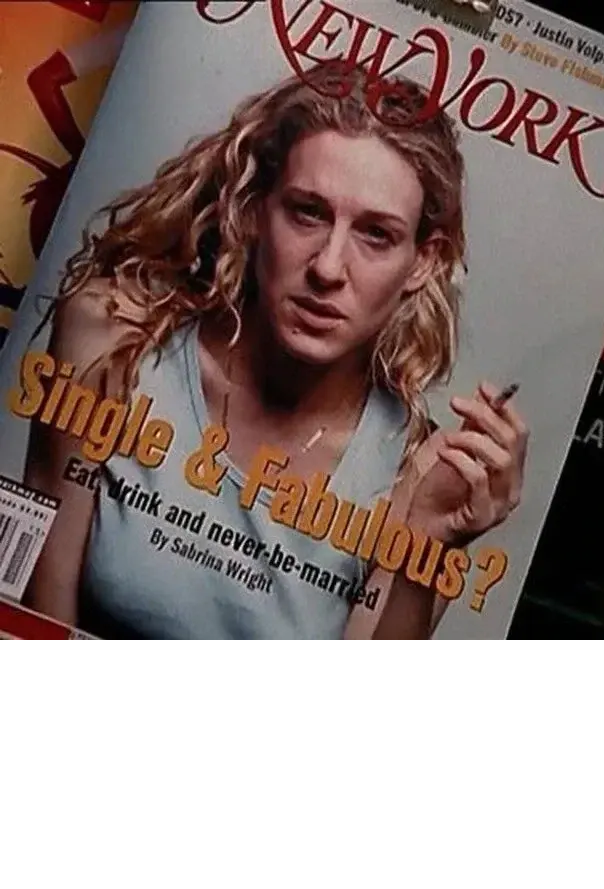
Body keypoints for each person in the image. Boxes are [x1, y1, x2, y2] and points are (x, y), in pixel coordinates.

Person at [21, 60, 529, 640]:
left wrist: (430, 547)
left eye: (376, 234)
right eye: (307, 212)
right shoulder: (117, 339)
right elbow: (37, 610)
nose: (328, 268)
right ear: (254, 210)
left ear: (423, 262)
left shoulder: (416, 471)